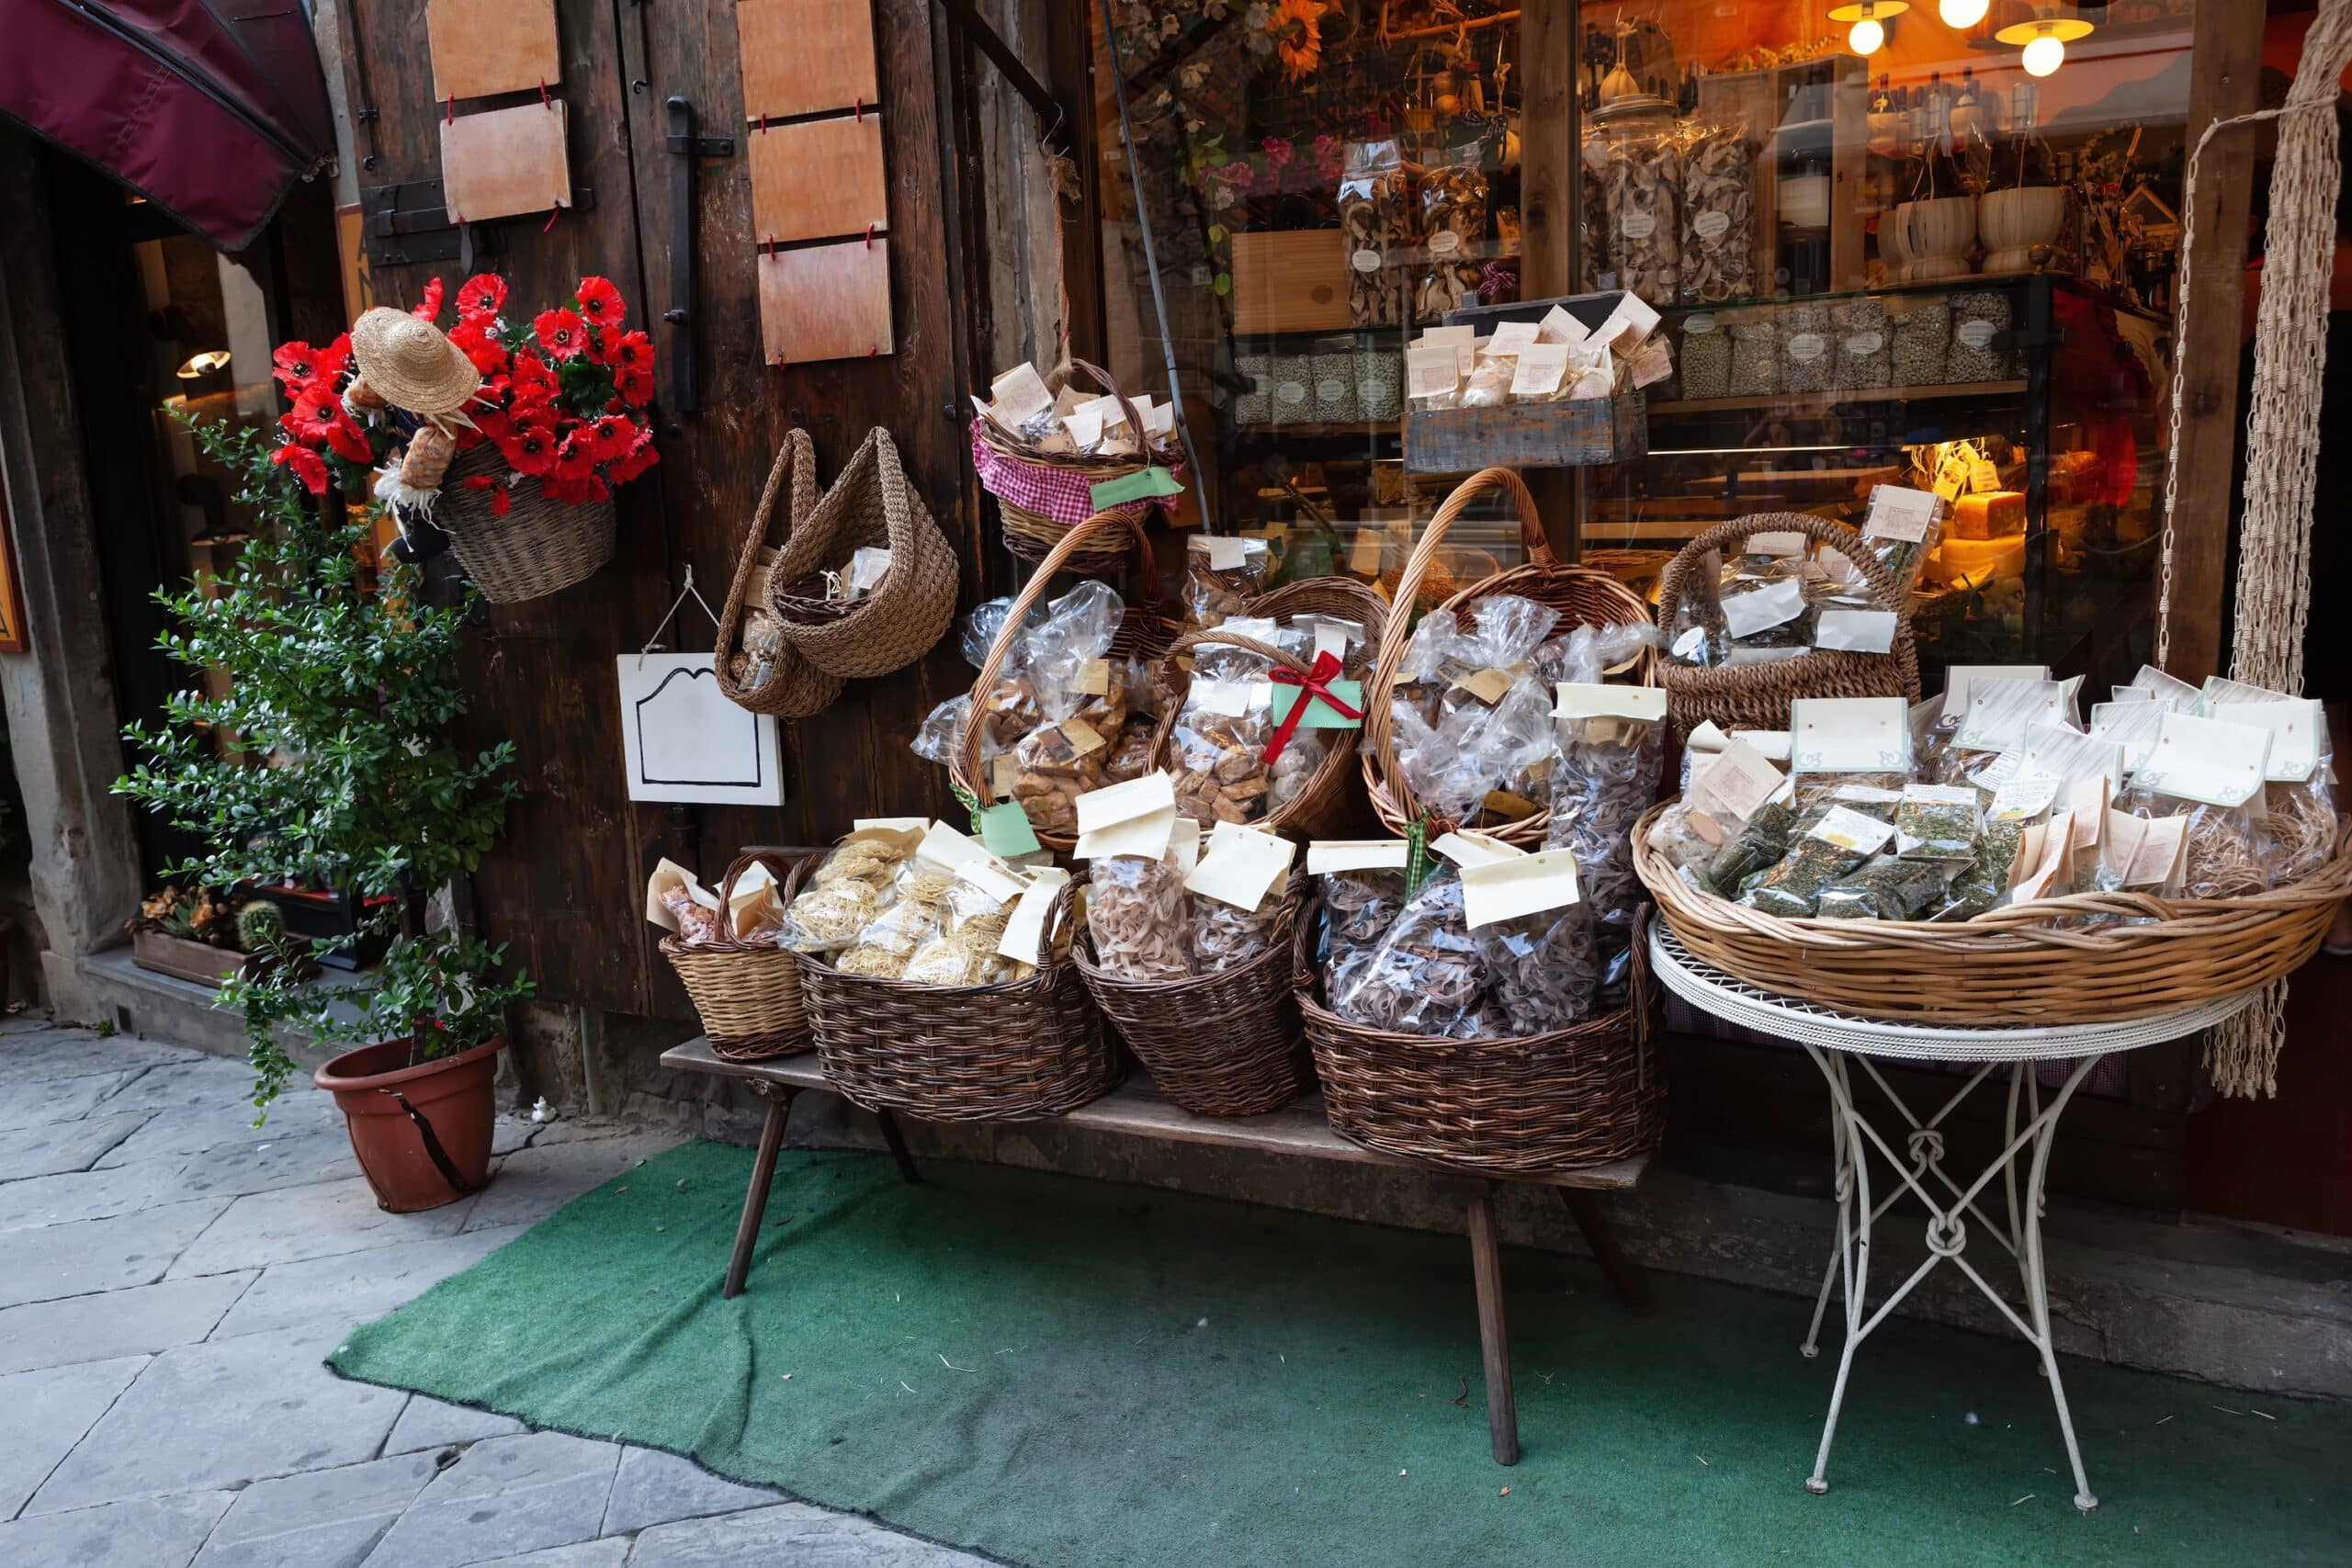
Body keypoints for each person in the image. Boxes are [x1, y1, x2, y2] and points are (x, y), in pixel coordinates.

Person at [2233, 100, 2352, 951]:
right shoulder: (2267, 286)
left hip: (2297, 527)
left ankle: (2315, 901)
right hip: (2304, 518)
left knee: (2304, 704)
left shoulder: (2264, 287)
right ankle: (2328, 898)